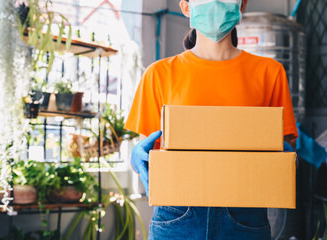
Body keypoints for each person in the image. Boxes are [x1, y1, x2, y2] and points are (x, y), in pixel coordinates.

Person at [124, 0, 299, 239]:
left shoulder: (270, 73)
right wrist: (138, 157)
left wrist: (287, 156)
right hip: (178, 215)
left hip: (245, 215)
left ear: (241, 5)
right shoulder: (159, 74)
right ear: (186, 7)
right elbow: (147, 151)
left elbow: (284, 157)